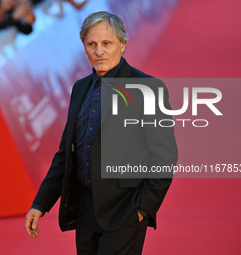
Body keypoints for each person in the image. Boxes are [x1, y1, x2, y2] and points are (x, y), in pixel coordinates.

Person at [25, 11, 178, 255]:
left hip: (124, 211)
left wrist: (141, 210)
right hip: (85, 211)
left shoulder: (147, 88)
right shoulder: (80, 88)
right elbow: (66, 154)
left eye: (106, 43)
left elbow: (164, 156)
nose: (99, 52)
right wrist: (41, 203)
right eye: (92, 44)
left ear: (122, 45)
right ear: (84, 48)